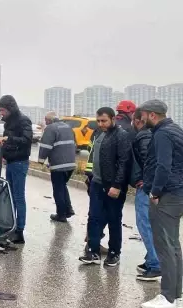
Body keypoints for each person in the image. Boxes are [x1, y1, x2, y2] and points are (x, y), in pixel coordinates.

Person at [140, 100, 183, 308]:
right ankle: (176, 296)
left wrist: (155, 192)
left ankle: (167, 298)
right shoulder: (176, 129)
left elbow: (163, 166)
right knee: (173, 246)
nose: (142, 119)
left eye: (144, 115)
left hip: (167, 195)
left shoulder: (162, 134)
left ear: (153, 115)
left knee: (165, 246)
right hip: (177, 192)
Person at [79, 107, 132, 267]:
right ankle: (93, 252)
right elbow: (92, 156)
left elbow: (124, 162)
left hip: (113, 186)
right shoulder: (98, 133)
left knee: (113, 219)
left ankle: (114, 253)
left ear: (113, 119)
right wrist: (90, 177)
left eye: (104, 121)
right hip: (97, 183)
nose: (101, 124)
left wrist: (117, 185)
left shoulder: (121, 136)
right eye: (99, 121)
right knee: (94, 218)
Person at [0, 95, 32, 244]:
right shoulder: (8, 123)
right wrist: (3, 151)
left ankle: (20, 230)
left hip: (19, 163)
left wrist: (8, 139)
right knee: (10, 196)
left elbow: (27, 140)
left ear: (10, 108)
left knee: (18, 197)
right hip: (10, 162)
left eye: (3, 110)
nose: (1, 113)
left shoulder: (23, 120)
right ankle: (12, 226)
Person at [130, 108, 161, 282]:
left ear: (138, 120)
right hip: (154, 186)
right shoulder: (156, 134)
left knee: (145, 224)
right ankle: (151, 260)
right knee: (152, 225)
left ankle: (155, 265)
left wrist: (145, 181)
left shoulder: (143, 135)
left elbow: (147, 160)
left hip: (147, 187)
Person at [37, 111, 77, 222]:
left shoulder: (51, 128)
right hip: (71, 164)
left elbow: (45, 146)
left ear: (49, 120)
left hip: (59, 165)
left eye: (46, 120)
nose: (45, 123)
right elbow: (74, 144)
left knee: (58, 189)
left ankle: (61, 215)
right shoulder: (68, 127)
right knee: (63, 186)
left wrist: (41, 160)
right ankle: (68, 210)